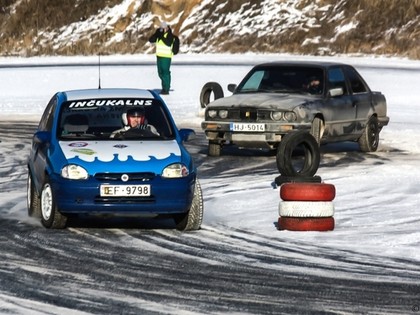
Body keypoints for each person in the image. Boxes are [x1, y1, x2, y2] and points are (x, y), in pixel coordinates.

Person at [148, 21, 180, 95]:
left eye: (164, 28)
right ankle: (165, 86)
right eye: (162, 28)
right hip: (159, 56)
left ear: (167, 28)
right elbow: (151, 40)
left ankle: (166, 89)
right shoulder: (159, 36)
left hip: (166, 57)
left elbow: (168, 43)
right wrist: (156, 34)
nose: (163, 29)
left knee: (165, 73)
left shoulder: (171, 36)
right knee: (160, 73)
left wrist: (161, 36)